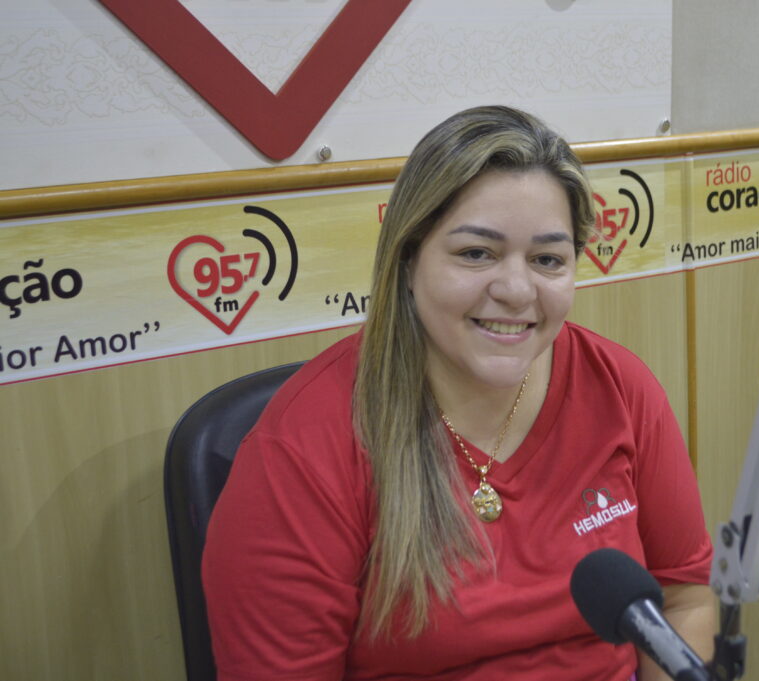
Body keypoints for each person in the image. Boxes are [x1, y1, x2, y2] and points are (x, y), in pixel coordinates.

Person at [202, 105, 715, 681]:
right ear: (409, 256)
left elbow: (683, 601)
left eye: (548, 260)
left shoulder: (619, 386)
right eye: (476, 253)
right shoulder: (301, 449)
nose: (517, 290)